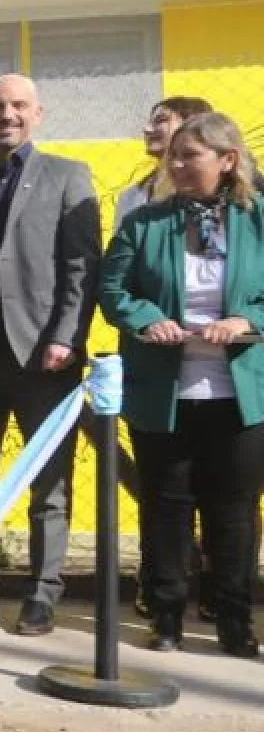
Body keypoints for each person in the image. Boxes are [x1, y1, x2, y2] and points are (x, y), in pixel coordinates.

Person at [100, 112, 264, 659]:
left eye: (190, 155)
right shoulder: (145, 222)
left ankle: (234, 620)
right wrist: (147, 318)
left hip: (241, 394)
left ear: (227, 160)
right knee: (166, 507)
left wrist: (245, 320)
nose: (176, 165)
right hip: (164, 391)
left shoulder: (258, 220)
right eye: (173, 155)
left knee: (233, 511)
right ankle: (166, 615)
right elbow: (113, 288)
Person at [0, 74, 102, 636]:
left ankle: (43, 595)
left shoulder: (68, 176)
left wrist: (66, 336)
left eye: (19, 105)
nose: (7, 115)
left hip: (47, 357)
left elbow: (82, 265)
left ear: (37, 114)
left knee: (50, 486)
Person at [113, 97, 214, 620]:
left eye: (162, 120)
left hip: (227, 369)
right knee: (161, 490)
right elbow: (120, 277)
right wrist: (146, 318)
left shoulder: (245, 205)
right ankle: (159, 586)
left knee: (226, 492)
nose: (149, 128)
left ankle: (221, 589)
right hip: (156, 365)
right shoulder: (134, 199)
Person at [115, 97, 213, 232]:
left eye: (160, 121)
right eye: (149, 122)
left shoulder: (211, 189)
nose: (147, 129)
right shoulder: (131, 196)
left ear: (191, 124)